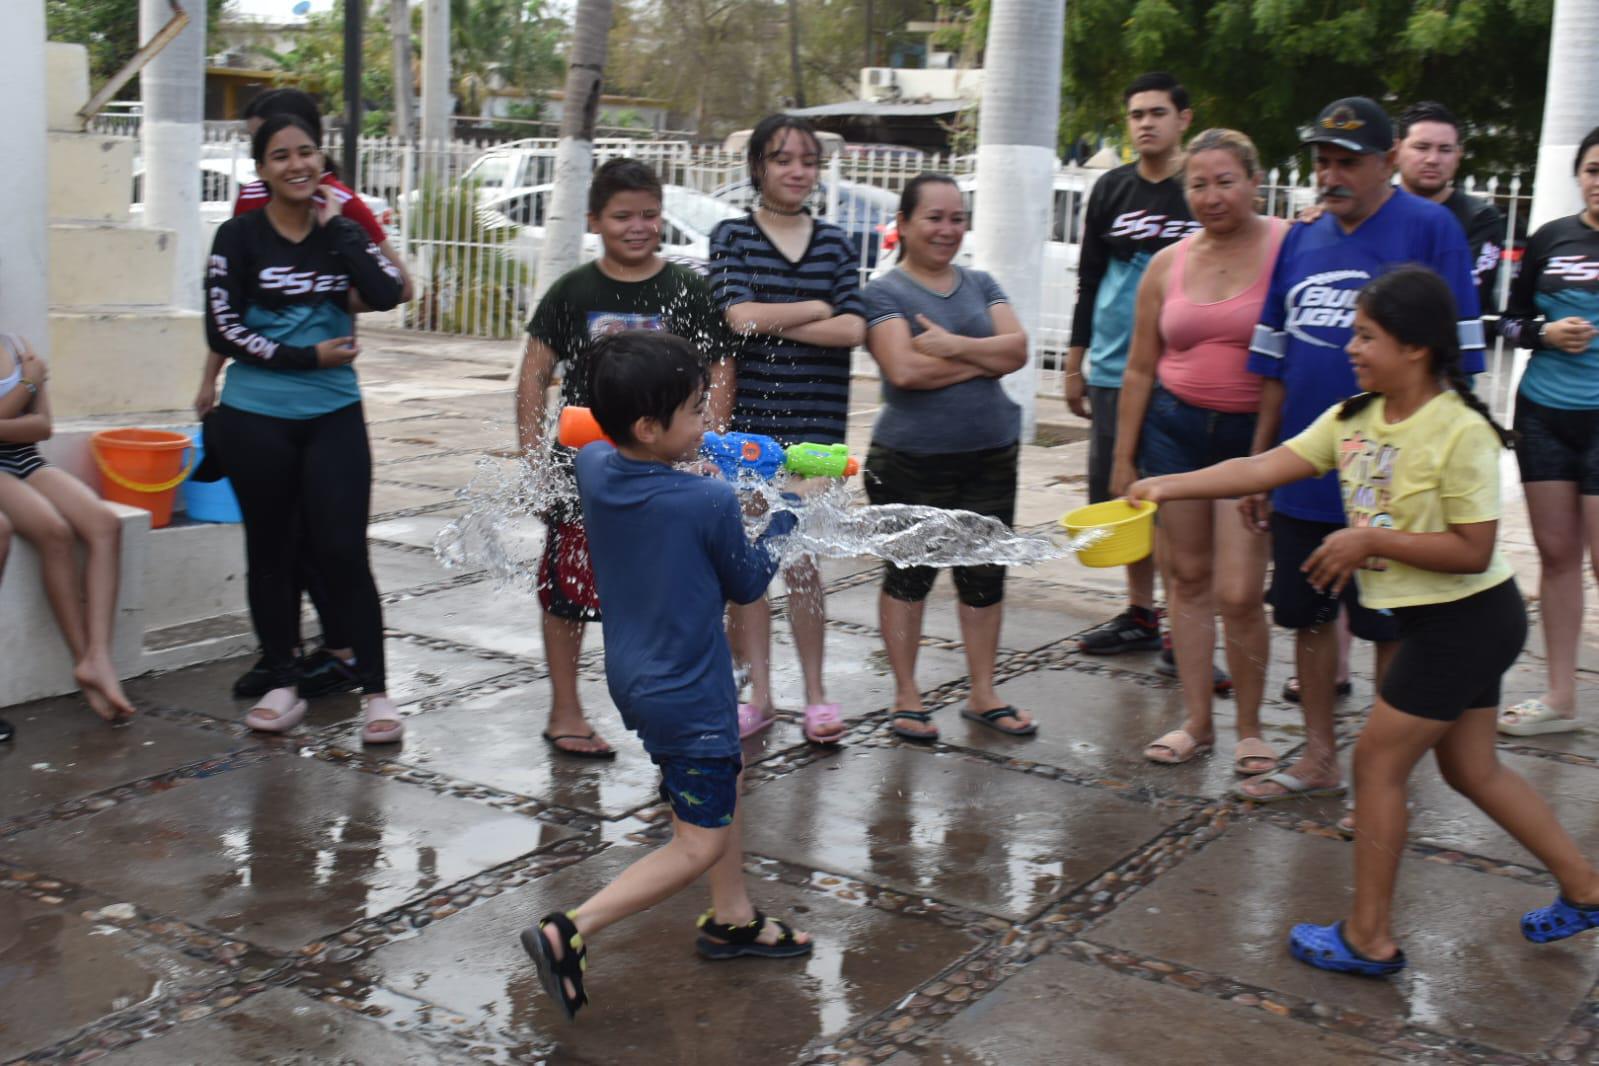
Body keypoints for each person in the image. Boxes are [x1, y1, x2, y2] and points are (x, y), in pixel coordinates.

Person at [1131, 266, 1599, 976]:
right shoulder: (1355, 417)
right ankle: (1587, 888)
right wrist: (1166, 485)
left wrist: (1369, 540)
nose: (1349, 347)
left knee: (1375, 761)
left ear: (1414, 348)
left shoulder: (1460, 431)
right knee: (1472, 768)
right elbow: (1265, 467)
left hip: (1467, 620)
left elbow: (1472, 550)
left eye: (1365, 335)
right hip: (1445, 623)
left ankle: (1368, 937)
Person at [519, 331, 813, 1019]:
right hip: (688, 692)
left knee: (721, 784)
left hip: (636, 676)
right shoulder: (704, 504)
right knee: (696, 839)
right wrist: (786, 506)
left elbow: (600, 444)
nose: (708, 424)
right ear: (648, 427)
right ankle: (571, 929)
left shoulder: (595, 466)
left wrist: (690, 454)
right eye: (694, 411)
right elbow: (747, 583)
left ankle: (732, 917)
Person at [1244, 96, 1485, 805]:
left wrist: (1439, 464)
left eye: (1346, 161)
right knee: (1307, 615)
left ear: (1386, 163)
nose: (1330, 174)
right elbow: (1272, 357)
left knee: (1390, 623)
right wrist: (1262, 462)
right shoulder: (1299, 237)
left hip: (1392, 476)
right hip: (1308, 470)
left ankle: (1382, 780)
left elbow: (1460, 357)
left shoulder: (1431, 227)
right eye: (1322, 161)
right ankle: (1318, 758)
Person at [515, 157, 734, 758]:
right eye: (622, 216)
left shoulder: (686, 288)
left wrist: (706, 439)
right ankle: (565, 710)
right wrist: (535, 456)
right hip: (585, 470)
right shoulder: (575, 291)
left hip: (670, 470)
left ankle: (681, 712)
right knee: (567, 589)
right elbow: (535, 374)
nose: (637, 227)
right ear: (594, 220)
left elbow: (719, 367)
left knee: (675, 589)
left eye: (649, 215)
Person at [204, 87, 415, 703]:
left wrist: (342, 233)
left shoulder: (339, 230)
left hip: (333, 413)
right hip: (254, 416)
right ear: (261, 168)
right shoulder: (237, 237)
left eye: (306, 153)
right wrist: (306, 355)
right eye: (280, 155)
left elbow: (386, 292)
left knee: (341, 548)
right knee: (271, 550)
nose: (296, 164)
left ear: (321, 159)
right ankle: (283, 675)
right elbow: (224, 328)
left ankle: (373, 687)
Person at [1108, 129, 1285, 776]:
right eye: (1198, 184)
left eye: (1224, 181)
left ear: (1254, 182)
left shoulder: (1287, 244)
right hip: (1173, 433)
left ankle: (1250, 727)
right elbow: (1137, 368)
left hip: (1251, 438)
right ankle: (1196, 723)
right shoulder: (1166, 264)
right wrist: (1123, 460)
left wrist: (1271, 459)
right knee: (1185, 580)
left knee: (1239, 592)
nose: (1210, 196)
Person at [860, 174, 1035, 742]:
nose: (946, 230)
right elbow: (905, 371)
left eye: (956, 218)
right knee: (909, 577)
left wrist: (954, 347)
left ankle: (984, 693)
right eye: (933, 218)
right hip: (910, 458)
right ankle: (907, 697)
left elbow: (1020, 350)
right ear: (905, 225)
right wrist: (986, 359)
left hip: (990, 453)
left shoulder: (982, 283)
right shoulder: (883, 293)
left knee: (984, 578)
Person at [709, 114, 863, 745]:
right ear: (758, 168)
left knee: (802, 563)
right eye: (782, 159)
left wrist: (780, 320)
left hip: (817, 435)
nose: (797, 170)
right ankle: (759, 696)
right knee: (748, 567)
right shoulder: (732, 236)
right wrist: (815, 308)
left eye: (807, 160)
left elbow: (855, 330)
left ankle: (818, 696)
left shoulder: (836, 244)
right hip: (748, 432)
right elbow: (738, 317)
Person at [1067, 73, 1218, 676]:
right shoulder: (1110, 189)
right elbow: (1088, 279)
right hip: (1111, 370)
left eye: (1157, 112)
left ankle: (1189, 629)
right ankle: (1140, 613)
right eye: (1136, 114)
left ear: (1184, 118)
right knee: (1124, 493)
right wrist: (1075, 362)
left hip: (1184, 372)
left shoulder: (1200, 190)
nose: (1145, 123)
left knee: (1181, 500)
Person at [1494, 126, 1599, 737]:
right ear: (1580, 174)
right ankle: (1561, 698)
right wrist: (1545, 335)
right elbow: (1509, 322)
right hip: (1543, 414)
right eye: (1592, 168)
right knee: (1557, 558)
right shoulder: (1550, 238)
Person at [0, 334, 135, 729]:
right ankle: (84, 661)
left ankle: (98, 657)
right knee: (54, 530)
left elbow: (43, 427)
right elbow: (26, 412)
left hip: (28, 459)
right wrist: (28, 383)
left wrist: (21, 405)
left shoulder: (14, 345)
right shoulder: (29, 368)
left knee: (105, 525)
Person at [1395, 101, 1505, 322]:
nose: (1433, 159)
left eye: (1445, 149)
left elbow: (1466, 291)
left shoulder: (1479, 217)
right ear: (1396, 150)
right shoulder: (1372, 209)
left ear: (1458, 155)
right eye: (1421, 147)